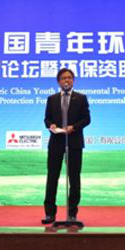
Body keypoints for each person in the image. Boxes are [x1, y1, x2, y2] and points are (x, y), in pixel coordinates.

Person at [41, 68, 90, 224]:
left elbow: (87, 119)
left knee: (74, 178)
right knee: (52, 177)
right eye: (63, 78)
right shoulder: (52, 99)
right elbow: (47, 119)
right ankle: (50, 213)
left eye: (69, 78)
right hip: (56, 142)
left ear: (73, 81)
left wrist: (73, 127)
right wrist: (51, 125)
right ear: (58, 81)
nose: (66, 80)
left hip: (74, 142)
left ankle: (72, 213)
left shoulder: (81, 98)